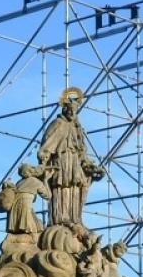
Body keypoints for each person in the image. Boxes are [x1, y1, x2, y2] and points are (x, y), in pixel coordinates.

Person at [37, 86, 105, 230]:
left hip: (74, 163)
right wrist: (44, 159)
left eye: (75, 111)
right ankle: (60, 219)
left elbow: (82, 152)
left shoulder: (77, 128)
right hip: (61, 162)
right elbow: (48, 143)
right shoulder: (58, 124)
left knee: (75, 187)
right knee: (62, 187)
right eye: (71, 110)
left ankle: (75, 219)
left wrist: (90, 167)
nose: (72, 113)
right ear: (65, 109)